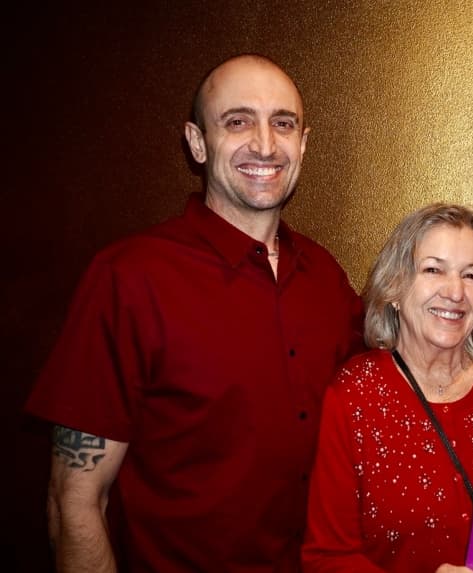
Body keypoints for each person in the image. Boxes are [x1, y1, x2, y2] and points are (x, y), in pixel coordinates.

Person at [24, 53, 365, 572]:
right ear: (197, 142)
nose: (266, 143)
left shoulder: (326, 279)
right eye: (237, 121)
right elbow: (75, 500)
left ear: (303, 144)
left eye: (283, 123)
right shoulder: (129, 277)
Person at [301, 203, 473, 573]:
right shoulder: (354, 395)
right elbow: (326, 558)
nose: (455, 292)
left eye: (471, 276)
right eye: (433, 269)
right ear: (394, 287)